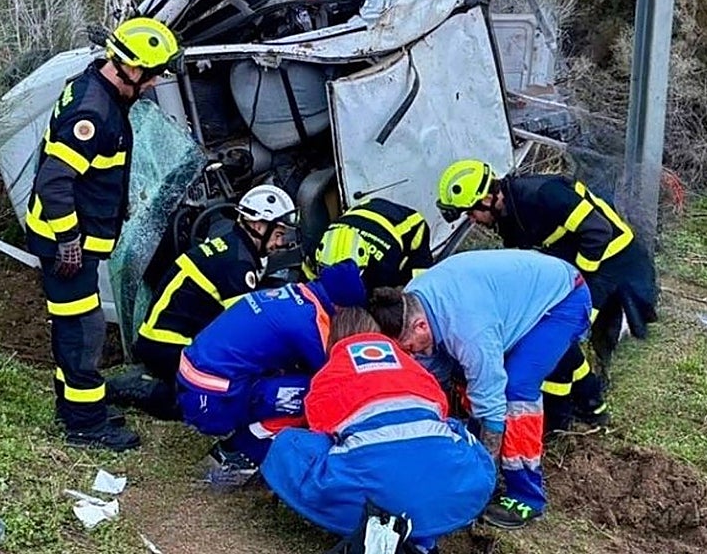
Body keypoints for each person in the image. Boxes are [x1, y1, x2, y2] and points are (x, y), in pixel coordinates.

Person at [24, 16, 181, 452]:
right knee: (82, 330)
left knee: (78, 325)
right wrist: (70, 240)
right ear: (132, 70)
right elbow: (54, 181)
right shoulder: (94, 112)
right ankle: (86, 425)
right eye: (152, 75)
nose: (154, 84)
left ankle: (75, 409)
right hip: (64, 243)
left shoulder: (96, 88)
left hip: (70, 238)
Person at [370, 249, 591, 530]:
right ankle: (465, 453)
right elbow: (429, 374)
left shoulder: (468, 331)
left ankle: (526, 494)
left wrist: (484, 468)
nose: (412, 354)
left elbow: (492, 403)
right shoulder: (410, 302)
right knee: (462, 377)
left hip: (561, 300)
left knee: (516, 389)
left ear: (421, 325)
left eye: (411, 348)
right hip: (508, 297)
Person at [435, 159, 658, 430]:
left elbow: (598, 231)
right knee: (553, 332)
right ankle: (590, 402)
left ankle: (561, 417)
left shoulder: (543, 194)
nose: (472, 220)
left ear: (488, 198)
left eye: (470, 212)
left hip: (610, 263)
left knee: (560, 334)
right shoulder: (509, 215)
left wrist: (578, 283)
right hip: (577, 266)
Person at [261, 308, 496, 553]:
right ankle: (424, 535)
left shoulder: (330, 374)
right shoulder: (414, 367)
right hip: (451, 490)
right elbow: (441, 410)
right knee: (450, 430)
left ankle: (374, 524)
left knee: (291, 443)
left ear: (333, 338)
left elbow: (319, 428)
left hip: (374, 495)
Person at [111, 184, 301, 418]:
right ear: (258, 225)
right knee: (214, 401)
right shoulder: (238, 264)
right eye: (278, 234)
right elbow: (246, 331)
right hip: (169, 346)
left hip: (164, 341)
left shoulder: (233, 247)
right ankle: (148, 390)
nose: (280, 243)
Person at [175, 260, 368, 482]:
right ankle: (237, 454)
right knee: (312, 397)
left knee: (290, 377)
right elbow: (336, 376)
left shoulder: (292, 294)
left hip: (195, 377)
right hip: (211, 400)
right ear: (342, 308)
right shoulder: (310, 323)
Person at [309, 197, 433, 291]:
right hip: (361, 212)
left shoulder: (383, 269)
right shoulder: (317, 250)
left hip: (410, 224)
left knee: (416, 286)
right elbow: (308, 282)